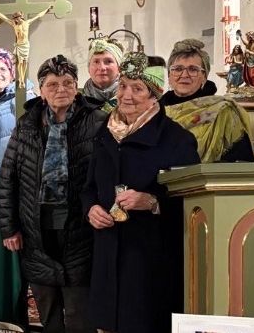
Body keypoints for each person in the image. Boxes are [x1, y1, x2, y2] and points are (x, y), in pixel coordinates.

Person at [83, 51, 200, 333]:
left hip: (149, 259)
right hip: (108, 255)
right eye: (123, 86)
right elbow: (88, 188)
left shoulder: (177, 139)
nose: (126, 95)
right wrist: (91, 209)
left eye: (137, 89)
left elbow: (193, 204)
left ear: (154, 95)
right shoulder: (104, 133)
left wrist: (151, 201)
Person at [0, 55, 108, 333]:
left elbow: (109, 174)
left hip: (81, 227)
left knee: (80, 311)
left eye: (68, 83)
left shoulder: (98, 121)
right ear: (41, 90)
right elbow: (8, 177)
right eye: (53, 84)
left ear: (77, 86)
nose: (61, 89)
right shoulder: (27, 124)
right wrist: (9, 227)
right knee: (47, 312)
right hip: (37, 229)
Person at [159, 39, 254, 163]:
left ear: (204, 76)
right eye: (178, 69)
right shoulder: (154, 111)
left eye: (193, 69)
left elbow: (240, 162)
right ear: (169, 75)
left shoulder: (224, 112)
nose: (184, 75)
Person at [0, 7, 51, 88]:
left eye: (17, 18)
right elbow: (4, 18)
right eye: (15, 19)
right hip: (19, 45)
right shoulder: (14, 25)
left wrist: (46, 10)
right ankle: (21, 79)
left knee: (25, 62)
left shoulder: (27, 23)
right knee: (20, 62)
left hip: (25, 45)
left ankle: (23, 78)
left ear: (20, 17)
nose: (16, 20)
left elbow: (38, 16)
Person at [82, 39, 123, 113]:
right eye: (96, 62)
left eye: (108, 61)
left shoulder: (132, 100)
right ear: (88, 68)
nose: (102, 68)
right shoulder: (77, 101)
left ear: (119, 68)